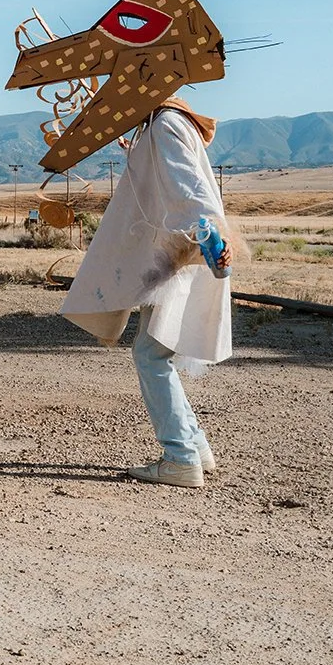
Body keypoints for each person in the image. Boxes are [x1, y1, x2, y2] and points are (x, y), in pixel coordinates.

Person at [60, 99, 235, 488]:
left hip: (182, 255)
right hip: (181, 254)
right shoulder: (164, 124)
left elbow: (188, 185)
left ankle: (181, 457)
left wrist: (209, 237)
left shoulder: (164, 125)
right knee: (155, 351)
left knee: (151, 354)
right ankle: (195, 448)